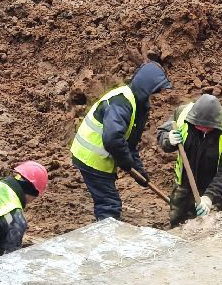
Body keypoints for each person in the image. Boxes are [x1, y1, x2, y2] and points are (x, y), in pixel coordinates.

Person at [69, 60, 172, 221]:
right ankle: (107, 240)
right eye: (153, 92)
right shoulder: (121, 103)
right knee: (109, 204)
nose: (153, 97)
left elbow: (129, 144)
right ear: (146, 87)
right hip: (91, 158)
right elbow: (112, 139)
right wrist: (126, 163)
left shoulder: (136, 104)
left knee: (108, 202)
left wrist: (140, 173)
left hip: (100, 158)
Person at [157, 92, 222, 227]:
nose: (203, 130)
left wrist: (209, 197)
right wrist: (168, 139)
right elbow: (161, 133)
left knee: (221, 231)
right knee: (179, 227)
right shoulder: (181, 113)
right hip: (186, 186)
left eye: (207, 128)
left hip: (220, 191)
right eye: (198, 127)